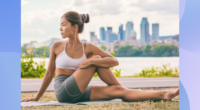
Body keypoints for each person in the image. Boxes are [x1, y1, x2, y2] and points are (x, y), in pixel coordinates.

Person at [21, 11, 179, 103]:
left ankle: (163, 94)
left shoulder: (88, 47)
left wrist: (91, 60)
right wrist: (37, 97)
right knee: (97, 59)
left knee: (117, 90)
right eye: (61, 24)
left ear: (74, 27)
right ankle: (126, 89)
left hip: (79, 91)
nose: (60, 28)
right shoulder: (57, 46)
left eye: (64, 24)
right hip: (63, 91)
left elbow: (114, 61)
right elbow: (49, 73)